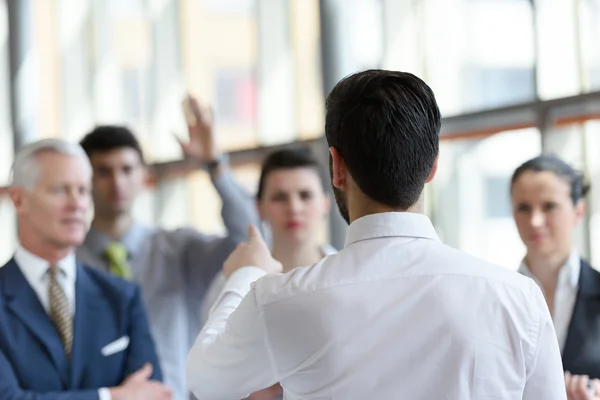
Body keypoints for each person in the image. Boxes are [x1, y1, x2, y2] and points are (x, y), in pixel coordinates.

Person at [186, 69, 566, 399]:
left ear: (336, 167)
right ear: (432, 166)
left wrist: (248, 273)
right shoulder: (518, 299)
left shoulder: (282, 299)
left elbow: (207, 380)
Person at [76, 95, 259, 400]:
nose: (117, 182)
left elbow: (249, 236)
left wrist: (215, 165)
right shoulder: (68, 263)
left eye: (126, 169)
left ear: (143, 176)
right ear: (85, 179)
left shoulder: (178, 249)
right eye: (103, 171)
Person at [0, 139, 170, 400]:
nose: (77, 203)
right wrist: (112, 397)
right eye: (60, 190)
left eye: (82, 190)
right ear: (19, 199)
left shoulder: (122, 297)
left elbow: (153, 394)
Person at [202, 148, 335, 324]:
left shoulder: (349, 276)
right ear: (259, 207)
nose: (294, 208)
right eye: (280, 197)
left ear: (326, 204)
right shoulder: (231, 283)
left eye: (305, 195)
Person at [511, 155, 600, 400]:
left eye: (549, 206)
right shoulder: (497, 299)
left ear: (579, 211)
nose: (535, 221)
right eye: (523, 208)